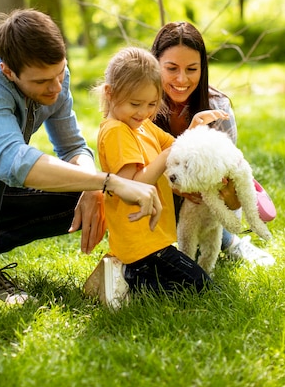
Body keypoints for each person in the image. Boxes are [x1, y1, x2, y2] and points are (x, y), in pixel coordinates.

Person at [0, 9, 161, 304]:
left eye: (59, 73)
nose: (56, 87)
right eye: (42, 81)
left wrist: (93, 188)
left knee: (80, 195)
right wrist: (109, 181)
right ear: (9, 72)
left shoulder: (55, 76)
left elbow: (73, 148)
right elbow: (10, 159)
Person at [94, 46, 228, 302]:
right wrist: (165, 158)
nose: (144, 113)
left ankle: (136, 279)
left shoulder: (142, 126)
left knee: (197, 284)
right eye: (135, 104)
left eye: (152, 104)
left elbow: (174, 146)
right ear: (110, 94)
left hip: (154, 242)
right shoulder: (116, 132)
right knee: (201, 287)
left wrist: (194, 129)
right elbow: (133, 188)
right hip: (141, 246)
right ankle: (130, 282)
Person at [150, 21, 275, 266]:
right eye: (171, 68)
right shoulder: (141, 105)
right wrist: (170, 186)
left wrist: (221, 191)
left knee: (205, 210)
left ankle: (229, 243)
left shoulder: (217, 108)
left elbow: (230, 191)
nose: (182, 79)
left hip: (205, 202)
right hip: (155, 197)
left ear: (203, 68)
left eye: (192, 69)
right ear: (155, 66)